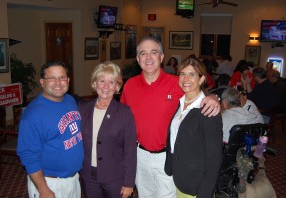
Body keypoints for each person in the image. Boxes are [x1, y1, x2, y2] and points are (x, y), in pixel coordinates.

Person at [120, 36, 220, 198]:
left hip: (168, 157)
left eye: (153, 52)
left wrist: (215, 98)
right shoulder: (130, 85)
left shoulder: (179, 82)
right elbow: (121, 118)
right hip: (140, 156)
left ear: (161, 57)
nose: (148, 58)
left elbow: (199, 94)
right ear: (138, 59)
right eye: (143, 54)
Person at [17, 61, 84, 198]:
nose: (58, 82)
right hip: (50, 183)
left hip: (73, 179)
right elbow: (29, 156)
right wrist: (44, 190)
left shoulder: (70, 100)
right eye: (51, 78)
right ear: (42, 82)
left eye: (62, 77)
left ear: (68, 80)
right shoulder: (33, 114)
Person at [164, 55, 223, 197]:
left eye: (192, 74)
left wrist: (204, 193)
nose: (185, 79)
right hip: (179, 177)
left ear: (201, 79)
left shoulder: (208, 110)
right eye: (182, 74)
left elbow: (214, 158)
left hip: (195, 185)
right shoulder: (181, 102)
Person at [78, 61, 137, 198]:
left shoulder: (124, 112)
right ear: (95, 83)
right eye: (102, 81)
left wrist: (129, 183)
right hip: (88, 176)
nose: (106, 86)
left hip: (115, 178)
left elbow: (130, 150)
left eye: (111, 82)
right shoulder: (82, 108)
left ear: (117, 86)